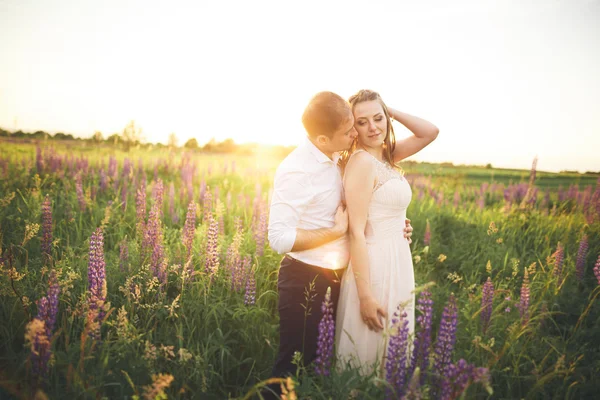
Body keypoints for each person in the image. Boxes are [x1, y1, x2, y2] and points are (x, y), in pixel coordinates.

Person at [265, 91, 413, 397]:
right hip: (304, 276)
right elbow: (278, 238)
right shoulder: (297, 170)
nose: (355, 134)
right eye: (350, 130)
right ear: (322, 140)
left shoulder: (337, 155)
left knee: (324, 366)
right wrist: (335, 232)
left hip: (339, 272)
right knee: (293, 367)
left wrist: (393, 224)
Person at [335, 89, 439, 376]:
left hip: (399, 258)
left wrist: (389, 111)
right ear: (352, 127)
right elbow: (356, 232)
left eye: (378, 119)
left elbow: (430, 132)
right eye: (362, 122)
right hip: (374, 263)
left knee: (392, 346)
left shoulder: (386, 155)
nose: (373, 128)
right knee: (369, 349)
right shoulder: (361, 162)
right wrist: (365, 295)